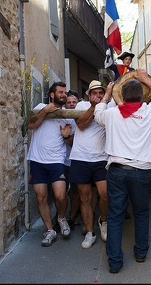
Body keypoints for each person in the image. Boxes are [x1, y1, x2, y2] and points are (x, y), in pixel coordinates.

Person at [94, 69, 151, 273]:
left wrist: (108, 95)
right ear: (143, 95)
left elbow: (98, 113)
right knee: (142, 213)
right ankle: (141, 253)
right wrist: (146, 80)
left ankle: (115, 263)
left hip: (117, 170)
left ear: (122, 96)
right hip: (142, 171)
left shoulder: (111, 113)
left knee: (115, 216)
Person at [26, 81, 75, 246]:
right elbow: (31, 125)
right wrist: (45, 111)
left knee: (60, 195)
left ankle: (61, 218)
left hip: (57, 161)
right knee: (41, 197)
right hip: (38, 160)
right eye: (60, 92)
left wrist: (66, 136)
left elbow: (70, 144)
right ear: (52, 94)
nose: (63, 95)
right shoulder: (41, 106)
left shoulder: (68, 115)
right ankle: (50, 230)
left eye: (65, 92)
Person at [69, 80, 110, 249]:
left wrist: (102, 104)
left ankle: (103, 220)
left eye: (101, 93)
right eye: (95, 93)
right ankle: (89, 232)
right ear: (89, 95)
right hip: (81, 158)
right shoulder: (81, 105)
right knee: (84, 197)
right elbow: (81, 124)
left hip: (101, 158)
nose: (98, 96)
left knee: (105, 194)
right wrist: (95, 107)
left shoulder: (108, 106)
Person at [64, 91, 81, 229]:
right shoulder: (61, 117)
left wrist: (67, 137)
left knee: (75, 191)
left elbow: (74, 142)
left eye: (74, 102)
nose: (71, 104)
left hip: (76, 161)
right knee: (62, 192)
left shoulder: (81, 118)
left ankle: (73, 216)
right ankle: (63, 217)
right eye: (69, 102)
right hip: (63, 161)